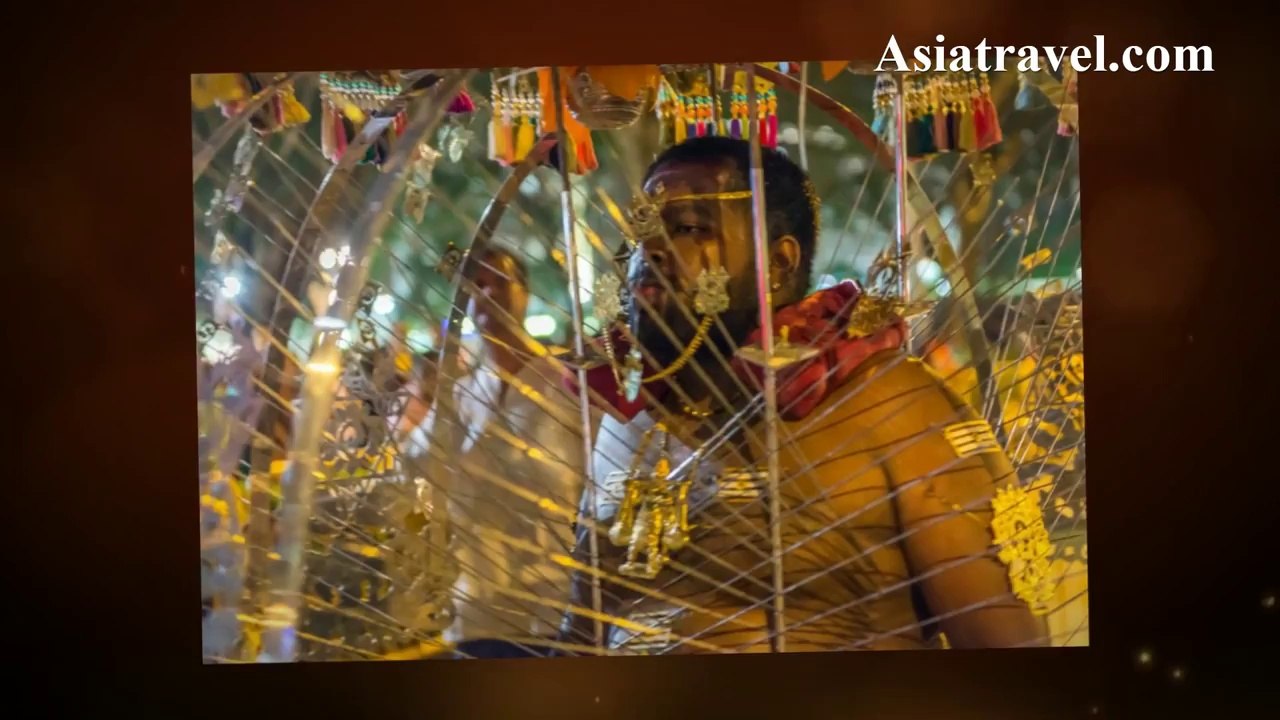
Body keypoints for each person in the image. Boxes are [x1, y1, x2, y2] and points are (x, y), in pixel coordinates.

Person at [561, 136, 1048, 653]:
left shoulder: (886, 402)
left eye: (688, 229)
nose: (651, 250)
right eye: (642, 231)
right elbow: (577, 642)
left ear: (779, 263)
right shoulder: (628, 418)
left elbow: (1008, 650)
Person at [418, 245, 598, 658]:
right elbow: (415, 466)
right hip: (477, 613)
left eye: (500, 282)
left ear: (525, 294)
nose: (487, 294)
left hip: (556, 612)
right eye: (476, 285)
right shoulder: (460, 395)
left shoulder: (569, 384)